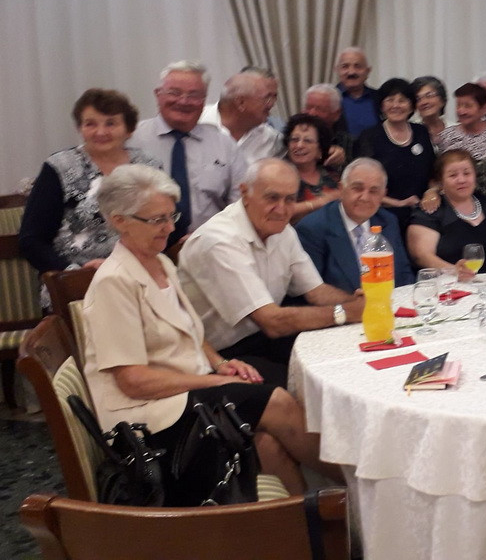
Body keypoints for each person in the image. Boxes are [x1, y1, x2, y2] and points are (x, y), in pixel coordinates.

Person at [82, 164, 338, 498]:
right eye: (157, 220)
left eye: (171, 217)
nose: (169, 228)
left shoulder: (159, 262)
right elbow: (132, 381)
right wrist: (215, 381)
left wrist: (220, 363)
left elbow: (190, 330)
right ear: (119, 221)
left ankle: (310, 519)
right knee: (277, 401)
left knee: (267, 442)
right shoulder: (114, 282)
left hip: (182, 394)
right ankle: (357, 488)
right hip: (147, 420)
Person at [178, 159, 365, 387]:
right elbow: (271, 322)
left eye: (290, 199)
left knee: (346, 359)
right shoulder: (219, 241)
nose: (282, 209)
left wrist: (360, 304)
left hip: (261, 339)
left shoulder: (282, 230)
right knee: (312, 386)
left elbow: (317, 292)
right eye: (272, 198)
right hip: (217, 357)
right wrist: (346, 312)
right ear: (245, 193)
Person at [20, 89, 161, 283]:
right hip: (76, 278)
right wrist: (73, 272)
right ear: (80, 128)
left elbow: (166, 224)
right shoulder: (59, 167)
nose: (100, 132)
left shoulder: (149, 167)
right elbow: (31, 240)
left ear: (129, 129)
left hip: (141, 272)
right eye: (90, 124)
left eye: (111, 123)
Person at [130, 62, 247, 241]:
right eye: (174, 93)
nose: (183, 101)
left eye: (194, 95)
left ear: (204, 100)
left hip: (209, 243)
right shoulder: (132, 139)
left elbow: (241, 203)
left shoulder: (224, 144)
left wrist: (211, 234)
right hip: (142, 244)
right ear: (158, 94)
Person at [296, 158, 413, 293]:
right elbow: (313, 292)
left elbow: (404, 276)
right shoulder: (313, 228)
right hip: (342, 305)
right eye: (357, 189)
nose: (364, 197)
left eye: (373, 191)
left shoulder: (388, 221)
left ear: (383, 195)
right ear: (341, 189)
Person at [408, 149, 486, 278]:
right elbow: (421, 256)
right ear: (440, 181)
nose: (461, 180)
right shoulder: (429, 211)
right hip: (448, 285)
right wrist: (454, 271)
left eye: (467, 173)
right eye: (453, 175)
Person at [356, 78, 436, 230]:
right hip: (383, 214)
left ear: (411, 105)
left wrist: (431, 192)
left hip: (423, 212)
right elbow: (363, 184)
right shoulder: (369, 137)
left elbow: (433, 172)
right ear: (382, 106)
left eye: (402, 100)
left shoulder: (421, 132)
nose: (396, 105)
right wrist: (399, 203)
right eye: (390, 100)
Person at [200, 71, 283, 163]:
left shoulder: (272, 140)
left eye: (274, 97)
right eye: (267, 98)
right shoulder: (196, 123)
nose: (272, 104)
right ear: (241, 103)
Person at [282, 113, 340, 223]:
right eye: (294, 140)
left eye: (307, 141)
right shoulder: (280, 176)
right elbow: (280, 211)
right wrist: (320, 202)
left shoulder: (332, 174)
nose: (299, 145)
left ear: (320, 150)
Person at [301, 83, 352, 178]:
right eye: (308, 107)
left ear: (336, 114)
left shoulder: (347, 142)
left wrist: (341, 161)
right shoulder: (291, 137)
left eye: (320, 109)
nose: (312, 113)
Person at [436, 82, 486, 160]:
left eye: (468, 106)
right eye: (458, 105)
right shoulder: (447, 137)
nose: (461, 111)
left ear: (484, 108)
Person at [336, 47, 379, 136]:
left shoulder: (380, 97)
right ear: (337, 70)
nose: (351, 72)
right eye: (345, 66)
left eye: (358, 66)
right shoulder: (326, 99)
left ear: (368, 71)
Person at [411, 75, 451, 150]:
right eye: (418, 99)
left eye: (429, 95)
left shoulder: (457, 131)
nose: (424, 102)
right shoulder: (410, 132)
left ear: (442, 100)